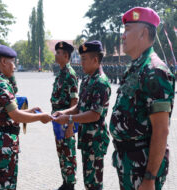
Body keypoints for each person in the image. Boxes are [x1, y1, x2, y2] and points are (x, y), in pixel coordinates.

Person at [109, 7, 175, 190]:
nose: (123, 36)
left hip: (142, 168)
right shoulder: (136, 68)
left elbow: (161, 130)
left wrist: (150, 178)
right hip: (129, 163)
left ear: (143, 33)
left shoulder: (154, 71)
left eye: (128, 29)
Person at [0, 45, 52, 190]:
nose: (14, 66)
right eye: (13, 62)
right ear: (3, 62)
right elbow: (15, 115)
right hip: (3, 145)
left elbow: (6, 112)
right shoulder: (1, 84)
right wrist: (40, 118)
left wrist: (31, 111)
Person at [54, 40, 111, 190]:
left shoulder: (101, 82)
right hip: (87, 138)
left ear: (95, 60)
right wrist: (63, 112)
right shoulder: (87, 80)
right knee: (88, 181)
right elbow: (79, 107)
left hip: (96, 140)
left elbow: (94, 115)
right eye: (81, 59)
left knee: (94, 184)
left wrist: (69, 119)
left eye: (84, 59)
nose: (81, 62)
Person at [50, 41, 78, 190]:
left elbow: (74, 101)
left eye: (59, 53)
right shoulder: (61, 73)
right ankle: (65, 181)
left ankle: (70, 184)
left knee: (68, 152)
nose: (56, 55)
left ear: (66, 56)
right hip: (58, 120)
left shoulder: (70, 74)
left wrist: (71, 125)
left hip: (66, 120)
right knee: (61, 152)